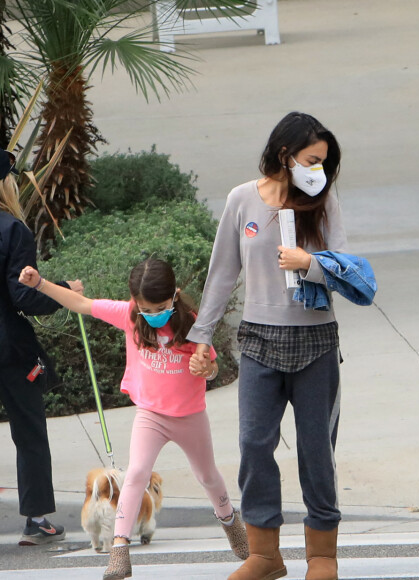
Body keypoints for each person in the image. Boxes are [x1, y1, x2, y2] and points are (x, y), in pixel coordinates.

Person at [187, 112, 347, 580]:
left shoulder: (325, 203)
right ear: (285, 154)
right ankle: (265, 554)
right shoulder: (241, 200)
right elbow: (222, 273)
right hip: (258, 338)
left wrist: (309, 263)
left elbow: (344, 268)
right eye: (311, 159)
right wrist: (201, 338)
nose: (318, 170)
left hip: (316, 338)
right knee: (255, 444)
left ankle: (322, 555)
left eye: (323, 162)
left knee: (316, 448)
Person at [19, 258, 248, 580]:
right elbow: (82, 303)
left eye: (160, 307)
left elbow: (212, 366)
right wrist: (40, 284)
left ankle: (230, 522)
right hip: (150, 414)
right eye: (145, 308)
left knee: (208, 475)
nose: (153, 315)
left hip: (189, 416)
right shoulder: (129, 315)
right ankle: (120, 550)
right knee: (136, 473)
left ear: (175, 295)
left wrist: (206, 369)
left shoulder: (193, 324)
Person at [0, 148, 83, 546]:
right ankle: (35, 520)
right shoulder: (13, 230)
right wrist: (66, 292)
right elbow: (23, 297)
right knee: (28, 431)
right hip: (9, 350)